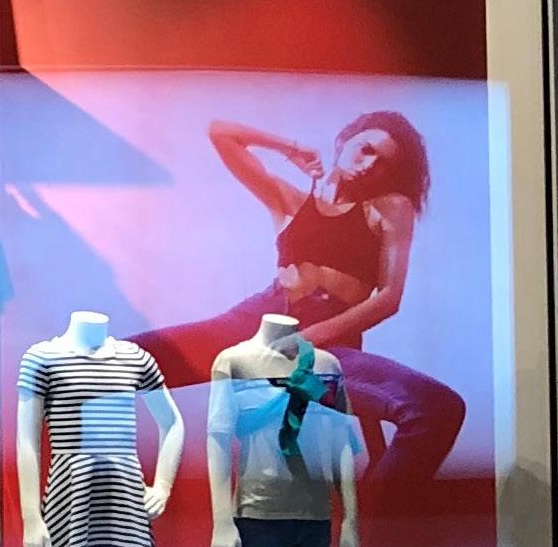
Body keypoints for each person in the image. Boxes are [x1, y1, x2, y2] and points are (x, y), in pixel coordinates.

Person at [131, 113, 464, 502]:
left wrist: (306, 339)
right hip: (260, 319)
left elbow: (388, 298)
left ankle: (381, 522)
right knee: (119, 358)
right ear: (344, 141)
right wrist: (291, 147)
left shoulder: (389, 207)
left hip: (327, 343)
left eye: (383, 162)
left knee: (436, 408)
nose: (370, 163)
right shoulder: (290, 200)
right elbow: (220, 132)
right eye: (366, 148)